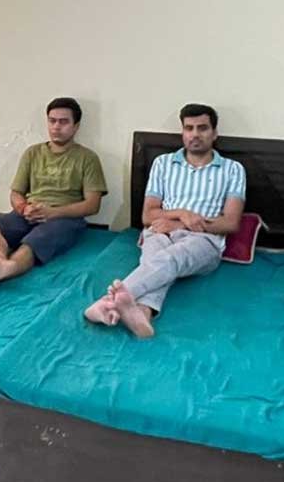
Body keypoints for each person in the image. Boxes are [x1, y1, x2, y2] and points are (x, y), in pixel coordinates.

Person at [85, 103, 245, 339]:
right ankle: (142, 314)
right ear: (182, 132)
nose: (195, 134)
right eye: (189, 128)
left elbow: (230, 223)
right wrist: (181, 213)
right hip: (160, 230)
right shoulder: (163, 163)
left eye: (202, 128)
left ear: (214, 133)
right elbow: (148, 215)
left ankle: (106, 303)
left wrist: (180, 224)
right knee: (156, 260)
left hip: (205, 240)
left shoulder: (233, 169)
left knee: (169, 259)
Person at [0, 97, 107, 289]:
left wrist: (52, 213)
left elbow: (93, 205)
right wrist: (23, 208)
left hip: (64, 219)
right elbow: (16, 193)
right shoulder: (32, 153)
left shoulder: (88, 158)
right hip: (29, 213)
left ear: (76, 126)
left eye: (63, 122)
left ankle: (8, 268)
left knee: (34, 242)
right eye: (52, 121)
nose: (56, 127)